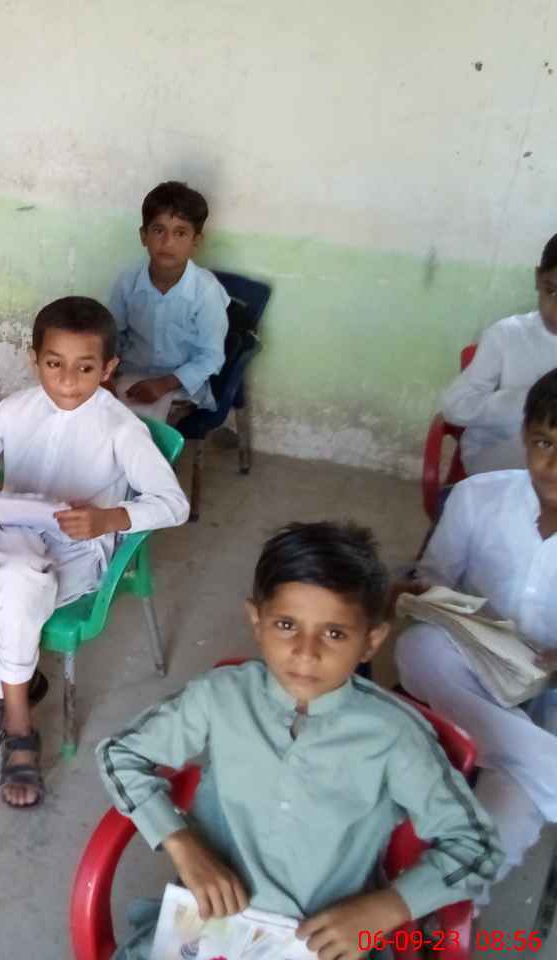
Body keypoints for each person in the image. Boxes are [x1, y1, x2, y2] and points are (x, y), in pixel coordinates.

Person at [98, 522, 500, 960]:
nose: (306, 653)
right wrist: (181, 842)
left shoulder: (394, 735)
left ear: (371, 642)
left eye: (334, 633)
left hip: (325, 944)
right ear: (257, 621)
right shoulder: (219, 696)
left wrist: (388, 908)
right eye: (287, 624)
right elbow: (120, 754)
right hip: (208, 929)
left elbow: (477, 847)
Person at [0, 296, 189, 808]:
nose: (67, 380)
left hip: (79, 552)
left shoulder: (121, 428)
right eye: (54, 364)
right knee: (15, 576)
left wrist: (108, 518)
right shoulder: (16, 409)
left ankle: (10, 708)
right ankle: (18, 711)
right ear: (34, 359)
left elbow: (173, 504)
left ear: (108, 369)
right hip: (17, 535)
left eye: (85, 368)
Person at [396, 368, 557, 895]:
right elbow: (436, 578)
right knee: (419, 647)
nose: (553, 465)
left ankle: (446, 900)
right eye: (544, 443)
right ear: (524, 435)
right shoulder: (477, 496)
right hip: (475, 665)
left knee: (511, 795)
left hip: (551, 689)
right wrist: (423, 594)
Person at [107, 180, 229, 423]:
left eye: (180, 233)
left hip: (180, 387)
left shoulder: (206, 292)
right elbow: (112, 336)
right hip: (130, 378)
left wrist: (164, 384)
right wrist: (107, 376)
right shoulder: (127, 283)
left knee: (147, 430)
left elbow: (210, 357)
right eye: (158, 230)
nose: (168, 242)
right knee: (97, 418)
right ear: (143, 236)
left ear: (196, 241)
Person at [441, 232, 557, 475]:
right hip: (497, 459)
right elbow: (454, 406)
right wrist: (528, 401)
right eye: (552, 291)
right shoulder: (506, 334)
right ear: (538, 278)